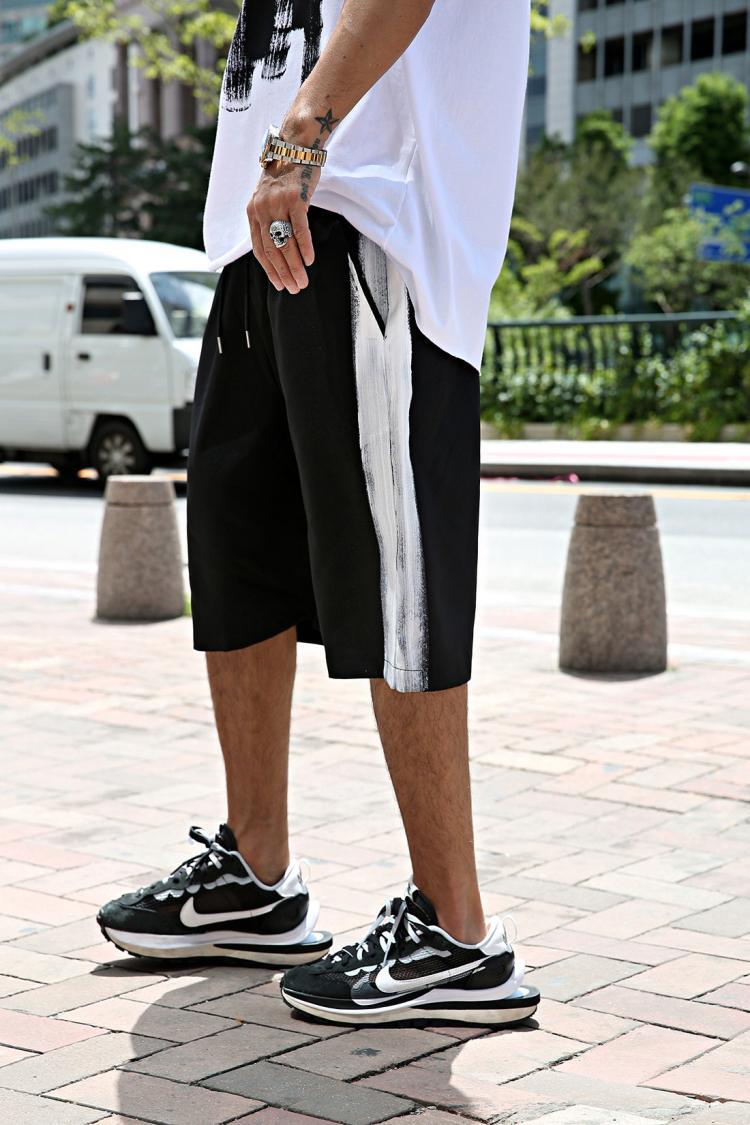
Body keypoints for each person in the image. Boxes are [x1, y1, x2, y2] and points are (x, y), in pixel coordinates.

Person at [98, 0, 538, 1027]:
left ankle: (458, 934)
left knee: (395, 579)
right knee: (238, 554)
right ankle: (256, 878)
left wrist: (302, 135)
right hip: (262, 224)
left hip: (369, 208)